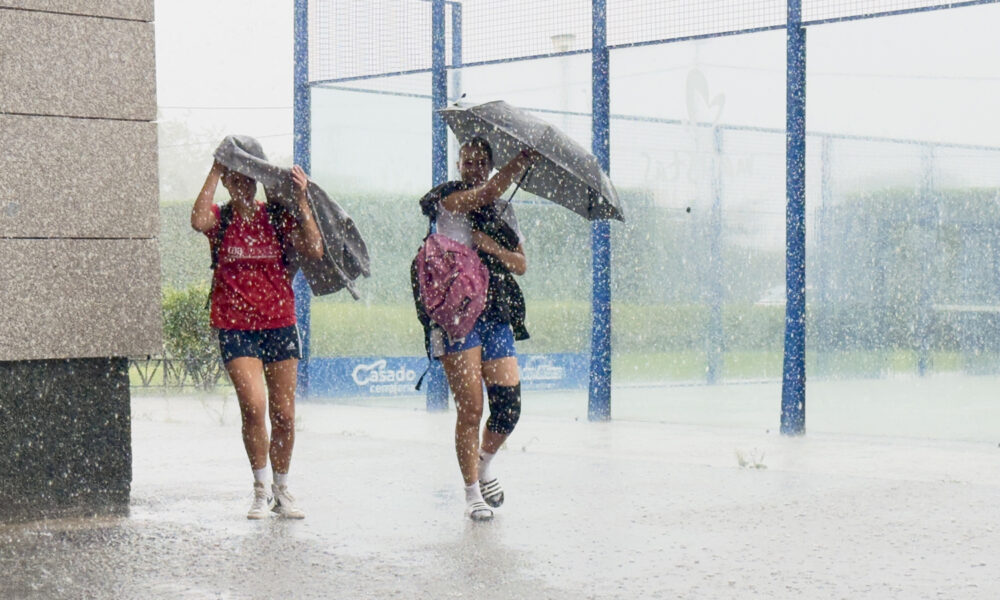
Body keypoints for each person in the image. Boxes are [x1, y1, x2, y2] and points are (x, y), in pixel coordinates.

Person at [190, 159, 323, 519]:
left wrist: (302, 199)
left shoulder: (276, 217)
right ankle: (260, 488)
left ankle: (282, 489)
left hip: (279, 323)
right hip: (235, 326)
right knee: (253, 406)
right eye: (236, 178)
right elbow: (198, 220)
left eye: (250, 178)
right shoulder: (223, 218)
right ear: (230, 181)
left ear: (259, 181)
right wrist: (215, 169)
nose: (244, 185)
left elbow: (314, 248)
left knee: (284, 415)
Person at [418, 137, 539, 521]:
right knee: (471, 408)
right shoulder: (449, 199)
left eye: (480, 161)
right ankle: (472, 493)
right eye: (467, 160)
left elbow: (521, 264)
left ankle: (484, 465)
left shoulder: (503, 208)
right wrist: (519, 162)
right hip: (458, 315)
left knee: (508, 407)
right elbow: (487, 190)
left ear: (487, 164)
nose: (473, 167)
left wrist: (493, 247)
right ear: (458, 163)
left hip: (496, 312)